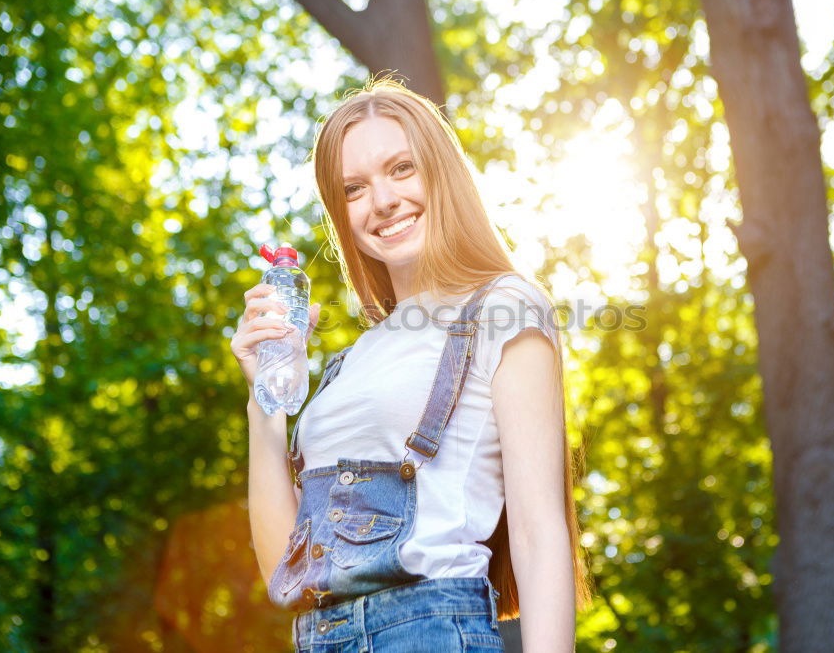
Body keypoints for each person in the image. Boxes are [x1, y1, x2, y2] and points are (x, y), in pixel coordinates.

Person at [230, 77, 591, 652]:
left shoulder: (502, 305)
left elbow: (537, 528)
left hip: (428, 632)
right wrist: (264, 400)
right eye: (354, 188)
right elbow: (283, 570)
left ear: (441, 172)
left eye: (401, 168)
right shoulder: (352, 361)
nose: (382, 201)